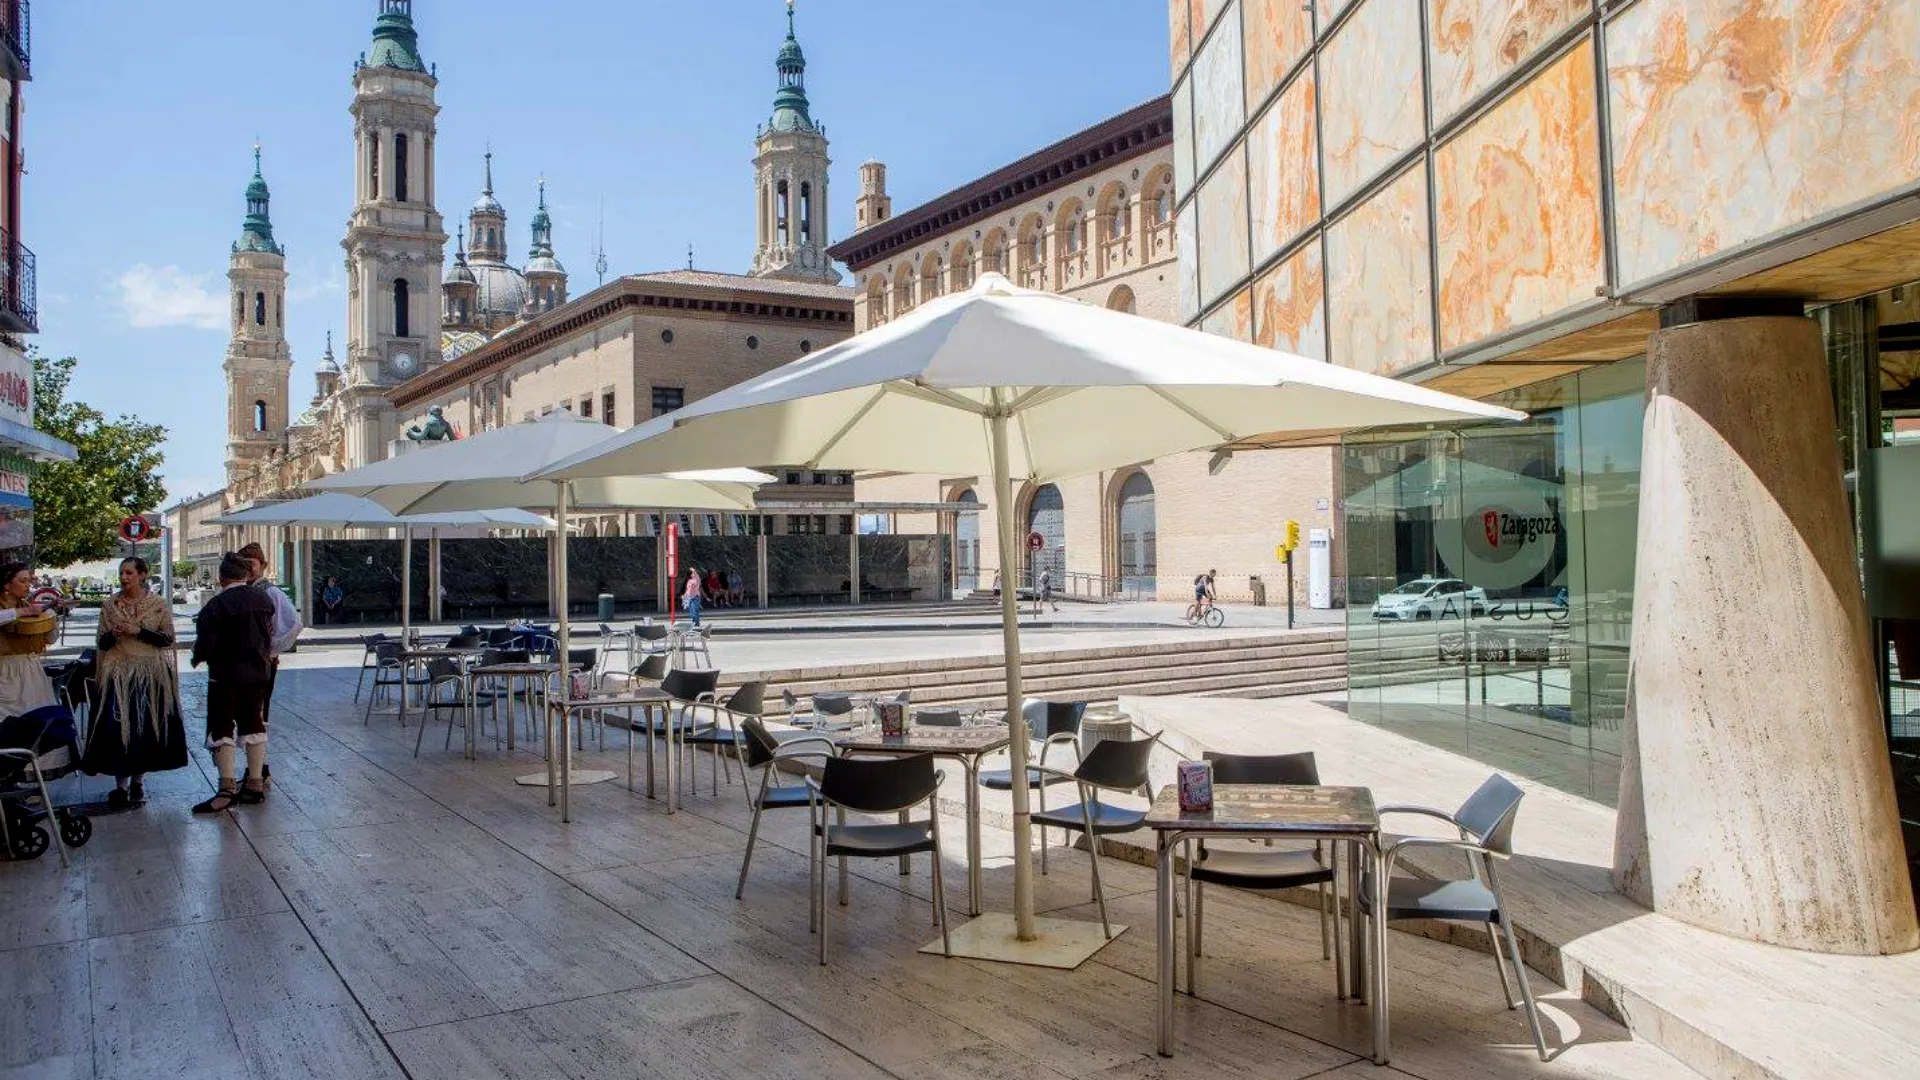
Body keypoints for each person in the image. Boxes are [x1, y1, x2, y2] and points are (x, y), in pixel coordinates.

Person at [81, 557, 187, 806]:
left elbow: (167, 639)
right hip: (118, 674)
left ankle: (138, 781)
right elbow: (101, 642)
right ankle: (120, 786)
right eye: (122, 573)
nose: (124, 578)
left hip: (149, 675)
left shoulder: (157, 604)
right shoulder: (110, 605)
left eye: (129, 573)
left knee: (145, 730)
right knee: (118, 730)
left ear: (142, 575)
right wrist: (114, 633)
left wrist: (139, 631)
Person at [189, 553, 276, 813]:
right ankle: (255, 785)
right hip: (258, 674)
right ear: (246, 575)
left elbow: (205, 643)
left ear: (222, 577)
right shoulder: (264, 600)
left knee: (222, 728)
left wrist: (197, 657)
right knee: (254, 724)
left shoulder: (216, 605)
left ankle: (226, 790)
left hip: (225, 676)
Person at [237, 543, 302, 787]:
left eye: (252, 564)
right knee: (247, 715)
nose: (248, 569)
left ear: (262, 565)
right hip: (244, 664)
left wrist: (271, 649)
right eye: (244, 564)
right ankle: (255, 767)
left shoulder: (271, 592)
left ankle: (260, 769)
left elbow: (293, 624)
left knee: (258, 714)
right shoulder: (243, 591)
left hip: (262, 664)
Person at [0, 562, 58, 721]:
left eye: (29, 581)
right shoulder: (20, 608)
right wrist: (24, 611)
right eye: (22, 581)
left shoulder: (28, 605)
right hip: (6, 672)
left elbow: (50, 639)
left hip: (32, 672)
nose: (28, 585)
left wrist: (51, 619)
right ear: (7, 584)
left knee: (38, 722)